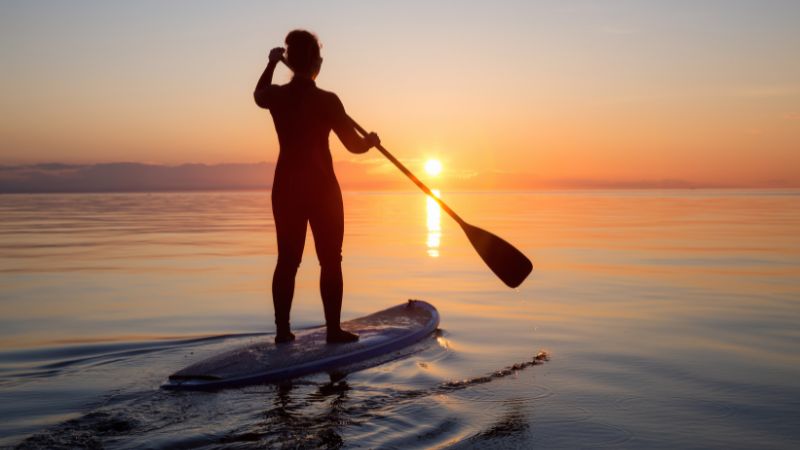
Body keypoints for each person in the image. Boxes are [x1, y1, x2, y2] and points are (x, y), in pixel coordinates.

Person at [254, 30, 380, 344]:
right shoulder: (328, 101)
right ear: (315, 63)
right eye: (320, 58)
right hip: (323, 189)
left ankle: (283, 333)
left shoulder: (278, 96)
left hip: (286, 188)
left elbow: (259, 94)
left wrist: (270, 64)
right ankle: (333, 330)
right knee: (330, 259)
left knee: (287, 260)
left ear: (289, 61)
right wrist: (371, 142)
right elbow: (353, 145)